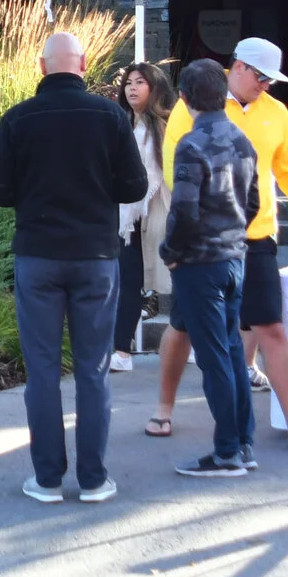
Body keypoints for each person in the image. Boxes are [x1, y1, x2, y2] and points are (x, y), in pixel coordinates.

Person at [0, 30, 149, 504]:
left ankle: (48, 478)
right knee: (93, 369)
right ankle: (94, 478)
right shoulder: (111, 116)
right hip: (95, 256)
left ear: (41, 66)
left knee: (42, 370)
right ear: (84, 63)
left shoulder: (17, 119)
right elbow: (135, 187)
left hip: (38, 255)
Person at [148, 37, 288, 454]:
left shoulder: (276, 113)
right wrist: (181, 245)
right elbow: (175, 171)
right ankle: (164, 407)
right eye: (262, 77)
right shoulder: (194, 104)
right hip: (204, 243)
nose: (266, 85)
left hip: (256, 238)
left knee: (270, 326)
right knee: (182, 327)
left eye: (271, 79)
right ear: (238, 68)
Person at [161, 60, 260, 477]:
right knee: (233, 352)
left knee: (214, 357)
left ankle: (226, 452)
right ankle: (243, 443)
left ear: (184, 98)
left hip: (199, 264)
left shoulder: (191, 144)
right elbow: (253, 202)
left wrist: (171, 251)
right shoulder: (242, 139)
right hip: (234, 258)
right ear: (223, 94)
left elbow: (184, 210)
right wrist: (232, 235)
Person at [110, 61, 176, 371]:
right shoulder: (120, 123)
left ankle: (189, 341)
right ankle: (121, 350)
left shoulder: (168, 124)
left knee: (176, 280)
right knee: (127, 280)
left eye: (139, 82)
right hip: (128, 214)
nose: (132, 88)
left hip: (161, 206)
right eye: (128, 83)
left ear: (155, 87)